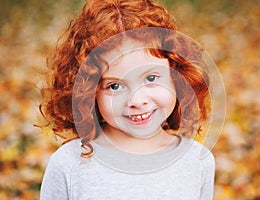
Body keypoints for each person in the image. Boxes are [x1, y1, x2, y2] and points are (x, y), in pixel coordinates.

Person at [39, 0, 215, 199]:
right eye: (114, 86)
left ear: (176, 76)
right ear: (89, 93)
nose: (137, 100)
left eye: (151, 78)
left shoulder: (198, 161)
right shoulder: (68, 165)